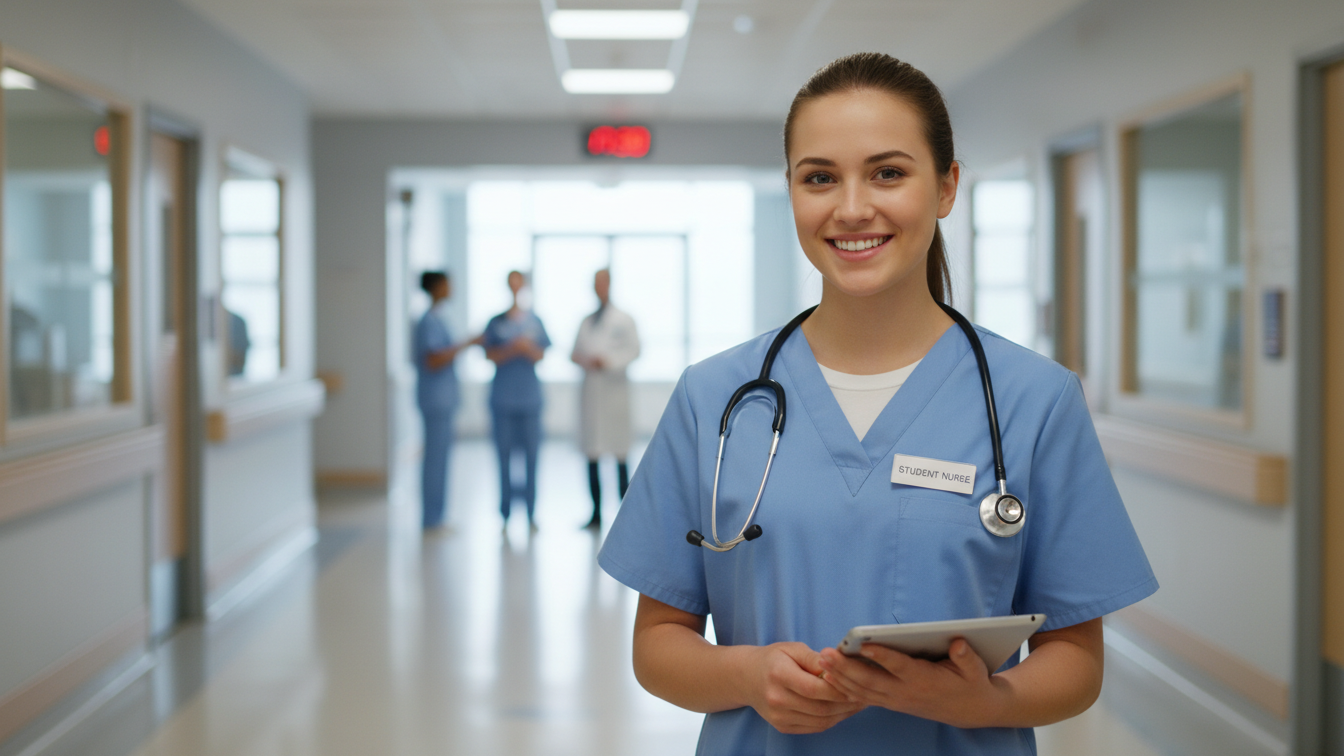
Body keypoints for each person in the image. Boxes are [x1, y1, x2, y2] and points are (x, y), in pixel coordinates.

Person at [596, 52, 1157, 755]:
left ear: (947, 187)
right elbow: (658, 647)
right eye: (820, 177)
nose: (852, 207)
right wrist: (746, 674)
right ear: (793, 192)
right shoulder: (714, 399)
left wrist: (984, 702)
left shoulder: (1034, 400)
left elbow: (1076, 663)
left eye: (888, 172)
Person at [571, 269, 641, 529]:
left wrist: (608, 361)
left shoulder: (624, 319)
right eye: (595, 283)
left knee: (620, 454)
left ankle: (625, 515)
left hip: (614, 394)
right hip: (592, 394)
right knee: (592, 454)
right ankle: (596, 514)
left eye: (603, 283)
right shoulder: (586, 321)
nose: (599, 287)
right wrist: (584, 359)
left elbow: (635, 350)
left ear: (610, 285)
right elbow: (574, 351)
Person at [412, 271, 479, 531]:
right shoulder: (428, 321)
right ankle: (432, 518)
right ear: (436, 287)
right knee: (435, 460)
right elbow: (434, 359)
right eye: (447, 284)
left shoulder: (437, 319)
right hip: (436, 400)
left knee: (440, 459)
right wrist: (466, 344)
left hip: (441, 398)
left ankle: (436, 515)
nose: (452, 288)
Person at [484, 270, 551, 531]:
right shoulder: (496, 322)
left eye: (519, 284)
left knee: (532, 458)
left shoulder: (535, 321)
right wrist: (513, 348)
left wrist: (528, 349)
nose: (515, 288)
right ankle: (506, 513)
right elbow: (490, 355)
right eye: (511, 284)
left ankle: (532, 512)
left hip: (529, 400)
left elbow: (541, 354)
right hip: (503, 400)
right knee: (503, 457)